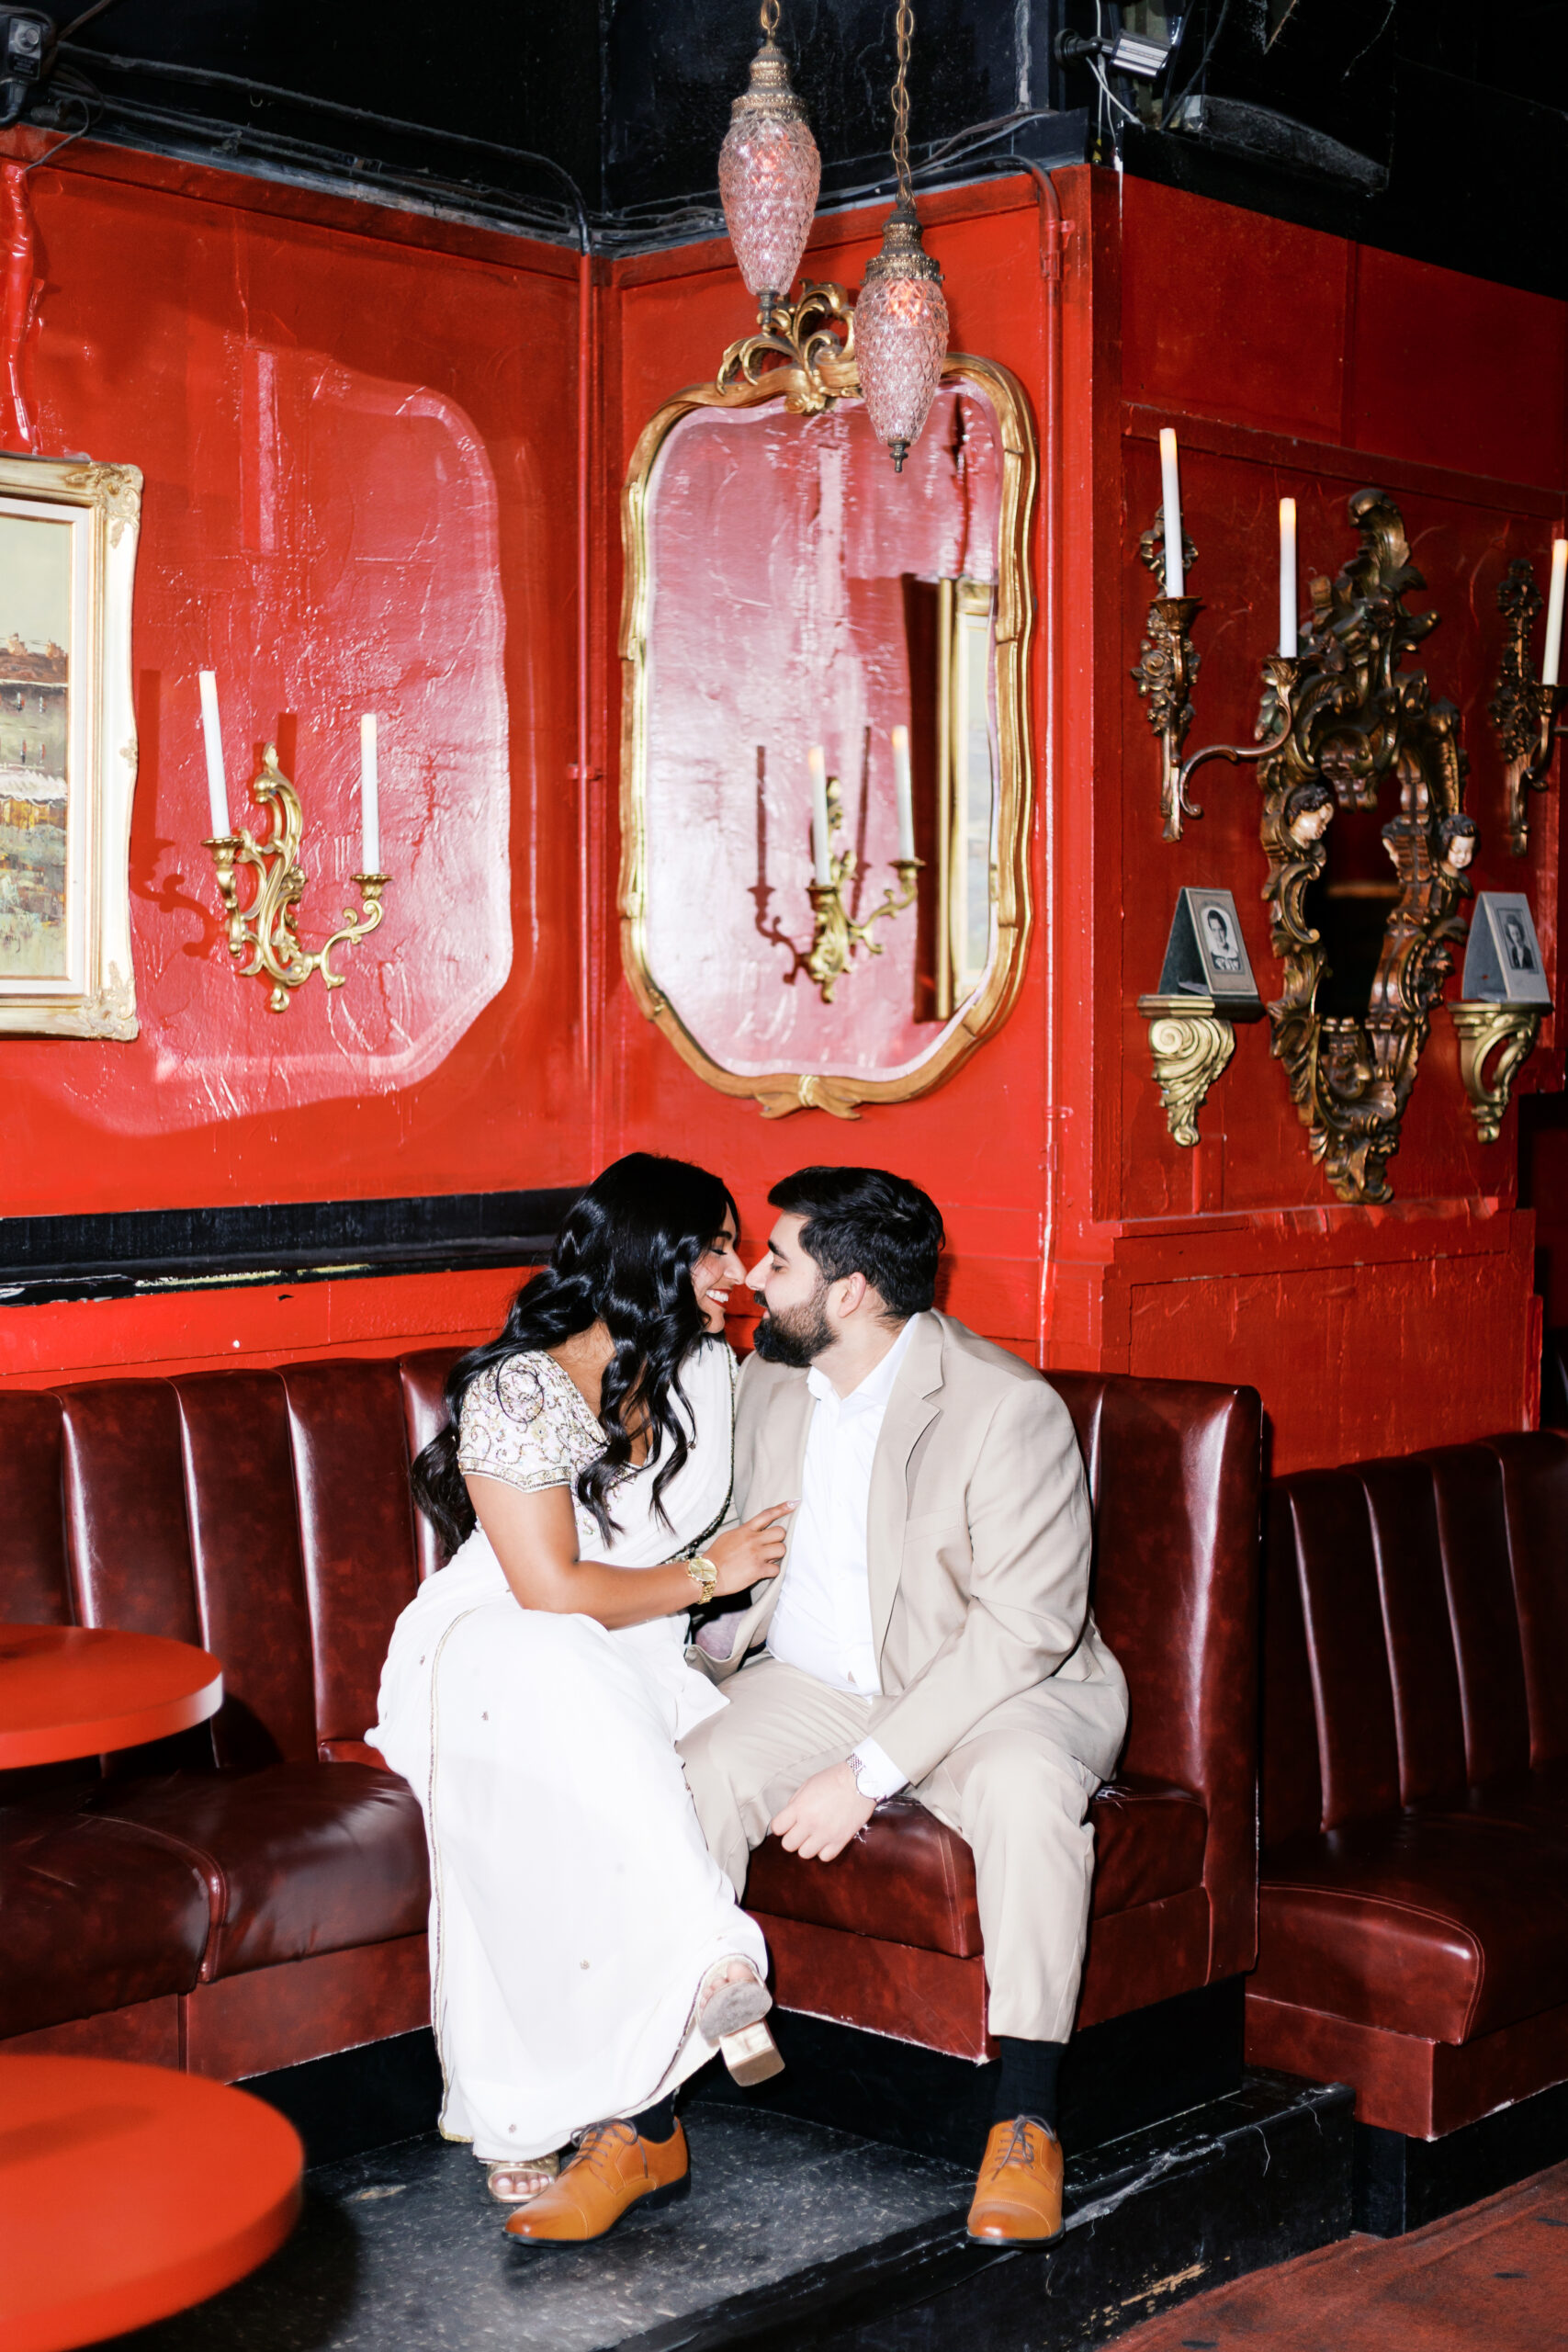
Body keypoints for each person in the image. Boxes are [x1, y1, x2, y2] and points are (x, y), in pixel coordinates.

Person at [679, 1167, 1128, 2250]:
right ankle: (647, 2106)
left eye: (778, 1260)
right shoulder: (772, 1379)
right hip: (815, 1681)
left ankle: (1026, 2117)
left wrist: (867, 1772)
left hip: (993, 1689)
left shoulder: (1004, 1408)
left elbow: (1021, 1629)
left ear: (849, 1293)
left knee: (1026, 1794)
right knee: (696, 1766)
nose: (754, 1279)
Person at [369, 1153, 797, 2245]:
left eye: (739, 1246)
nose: (737, 1271)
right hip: (489, 1640)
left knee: (587, 1715)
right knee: (543, 1683)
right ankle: (710, 1958)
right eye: (711, 1246)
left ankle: (577, 2103)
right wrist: (716, 1575)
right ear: (649, 1253)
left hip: (632, 1647)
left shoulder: (707, 1372)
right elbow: (548, 1589)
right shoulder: (519, 1387)